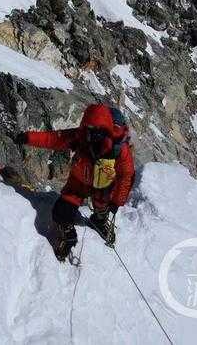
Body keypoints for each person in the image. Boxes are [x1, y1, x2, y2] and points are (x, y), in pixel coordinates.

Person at [16, 103, 134, 261]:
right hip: (85, 184)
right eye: (89, 129)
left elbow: (126, 175)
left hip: (95, 183)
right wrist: (28, 137)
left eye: (95, 130)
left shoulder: (115, 147)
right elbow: (53, 139)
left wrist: (117, 201)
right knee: (63, 211)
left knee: (95, 206)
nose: (92, 134)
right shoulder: (83, 137)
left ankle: (95, 222)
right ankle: (76, 232)